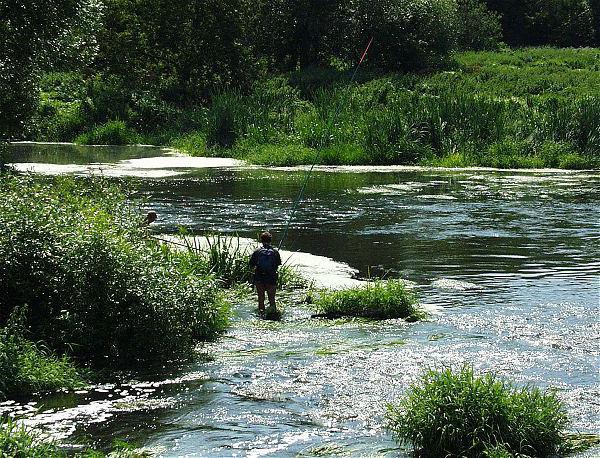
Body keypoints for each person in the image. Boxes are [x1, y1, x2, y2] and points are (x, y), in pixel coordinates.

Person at [249, 231, 282, 317]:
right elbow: (277, 264)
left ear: (261, 240)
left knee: (261, 299)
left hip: (259, 278)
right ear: (270, 240)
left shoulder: (257, 251)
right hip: (271, 278)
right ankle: (273, 315)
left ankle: (261, 316)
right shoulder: (275, 252)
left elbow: (251, 264)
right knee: (272, 299)